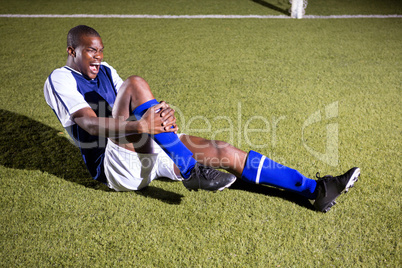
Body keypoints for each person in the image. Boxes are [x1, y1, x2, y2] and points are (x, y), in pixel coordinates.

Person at [44, 25, 360, 213]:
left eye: (100, 51)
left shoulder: (107, 69)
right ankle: (190, 168)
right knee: (136, 83)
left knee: (225, 151)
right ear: (71, 51)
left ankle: (315, 190)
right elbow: (87, 124)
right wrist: (142, 125)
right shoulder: (60, 79)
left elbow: (133, 105)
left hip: (144, 148)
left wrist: (157, 114)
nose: (98, 57)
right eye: (90, 52)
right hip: (113, 166)